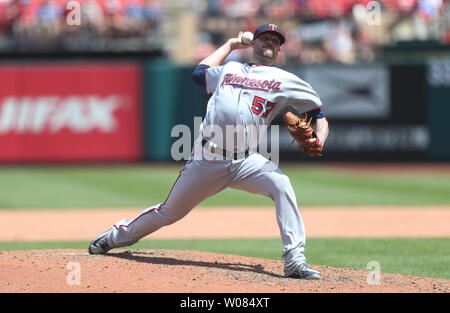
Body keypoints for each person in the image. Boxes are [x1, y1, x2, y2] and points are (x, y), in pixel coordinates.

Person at [88, 24, 329, 280]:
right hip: (208, 158)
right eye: (264, 38)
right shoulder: (231, 68)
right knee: (169, 213)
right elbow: (198, 73)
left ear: (280, 49)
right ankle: (115, 236)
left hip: (246, 160)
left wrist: (320, 139)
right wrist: (229, 46)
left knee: (281, 185)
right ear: (254, 44)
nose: (268, 43)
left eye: (274, 40)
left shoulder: (288, 81)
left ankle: (294, 260)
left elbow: (319, 115)